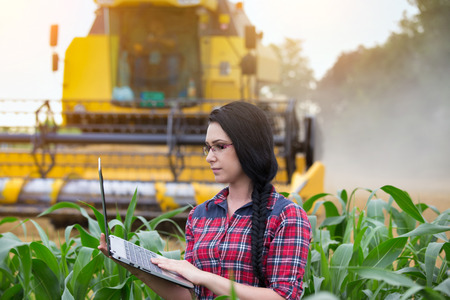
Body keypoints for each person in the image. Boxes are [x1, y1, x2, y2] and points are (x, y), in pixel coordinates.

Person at [99, 101, 311, 299]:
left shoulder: (286, 216)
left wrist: (204, 277)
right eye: (208, 147)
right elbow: (190, 295)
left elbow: (284, 296)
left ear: (249, 146)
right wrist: (132, 264)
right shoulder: (200, 215)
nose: (210, 157)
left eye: (219, 146)